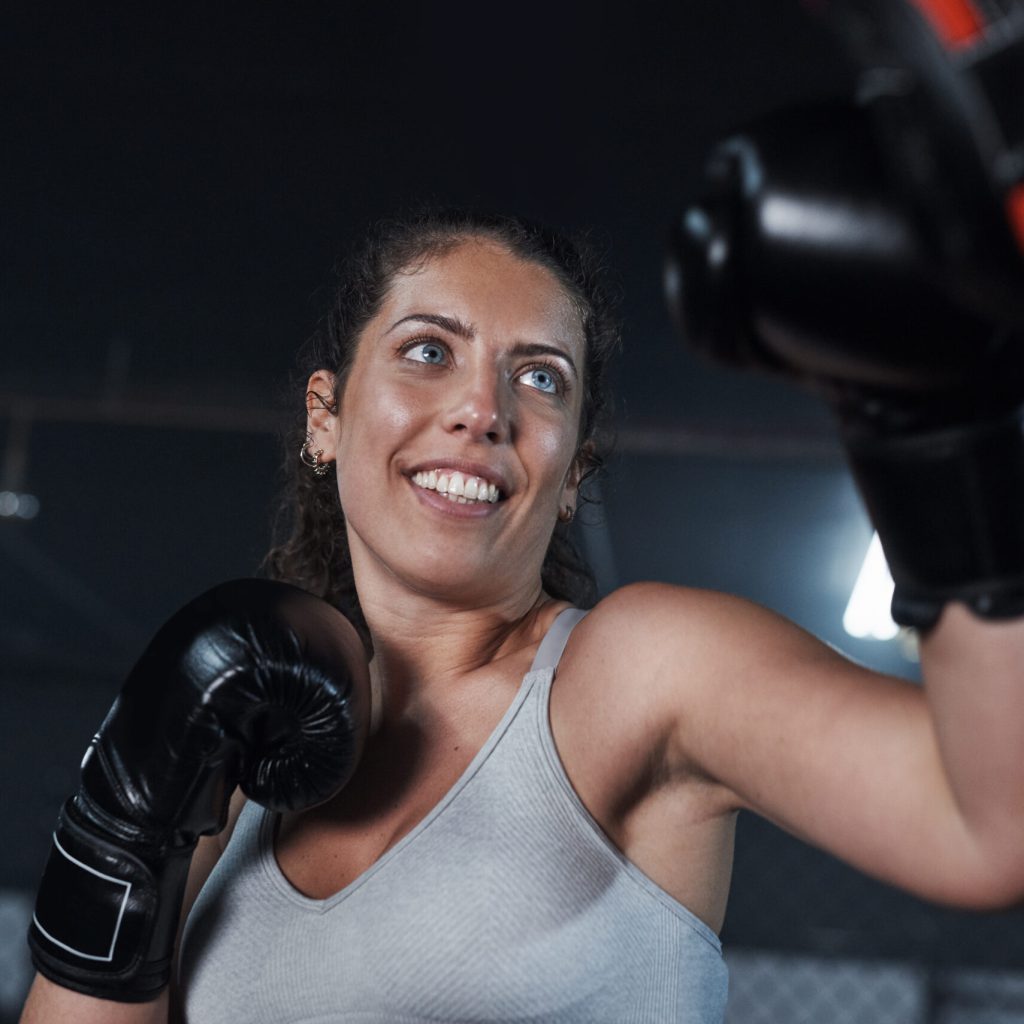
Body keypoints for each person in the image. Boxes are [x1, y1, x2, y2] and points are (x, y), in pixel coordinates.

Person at [20, 209, 1024, 1024]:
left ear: (574, 463)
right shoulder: (244, 751)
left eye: (540, 376)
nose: (481, 408)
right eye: (427, 351)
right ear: (325, 417)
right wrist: (124, 824)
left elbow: (990, 825)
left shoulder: (636, 673)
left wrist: (932, 405)